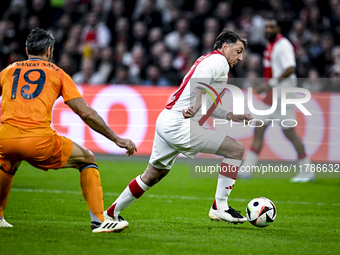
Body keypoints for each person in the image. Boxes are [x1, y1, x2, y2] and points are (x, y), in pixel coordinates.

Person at [102, 29, 252, 227]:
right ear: (225, 47)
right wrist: (198, 104)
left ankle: (111, 213)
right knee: (236, 150)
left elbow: (207, 103)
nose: (240, 57)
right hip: (180, 125)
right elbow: (201, 85)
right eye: (238, 51)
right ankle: (220, 206)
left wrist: (231, 115)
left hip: (167, 120)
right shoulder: (219, 62)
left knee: (153, 175)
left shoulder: (210, 61)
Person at [0, 28, 137, 232]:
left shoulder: (8, 70)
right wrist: (116, 139)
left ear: (27, 49)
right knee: (87, 158)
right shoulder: (58, 73)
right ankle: (100, 221)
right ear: (49, 51)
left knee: (9, 161)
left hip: (5, 138)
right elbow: (85, 113)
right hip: (38, 141)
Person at [240, 18, 315, 182]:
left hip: (282, 96)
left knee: (289, 133)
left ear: (278, 28)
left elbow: (290, 68)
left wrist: (271, 84)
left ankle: (307, 169)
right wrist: (265, 85)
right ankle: (246, 169)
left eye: (272, 27)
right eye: (267, 27)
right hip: (273, 95)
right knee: (259, 129)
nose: (268, 30)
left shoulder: (283, 45)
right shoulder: (271, 45)